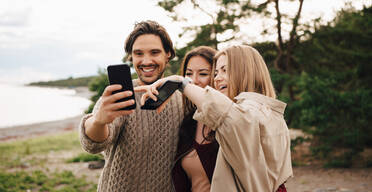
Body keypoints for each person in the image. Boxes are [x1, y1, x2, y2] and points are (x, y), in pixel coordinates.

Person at [136, 45, 293, 192]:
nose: (217, 78)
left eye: (225, 70)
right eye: (216, 72)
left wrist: (181, 83)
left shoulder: (256, 114)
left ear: (246, 72)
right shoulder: (192, 121)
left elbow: (232, 119)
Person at [79, 20, 185, 192]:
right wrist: (99, 121)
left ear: (168, 54)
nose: (146, 60)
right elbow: (94, 144)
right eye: (138, 54)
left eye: (155, 52)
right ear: (131, 58)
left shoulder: (183, 98)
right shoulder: (121, 95)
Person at [172, 46, 219, 192]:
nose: (193, 81)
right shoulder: (188, 123)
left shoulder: (230, 121)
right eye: (188, 74)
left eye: (203, 74)